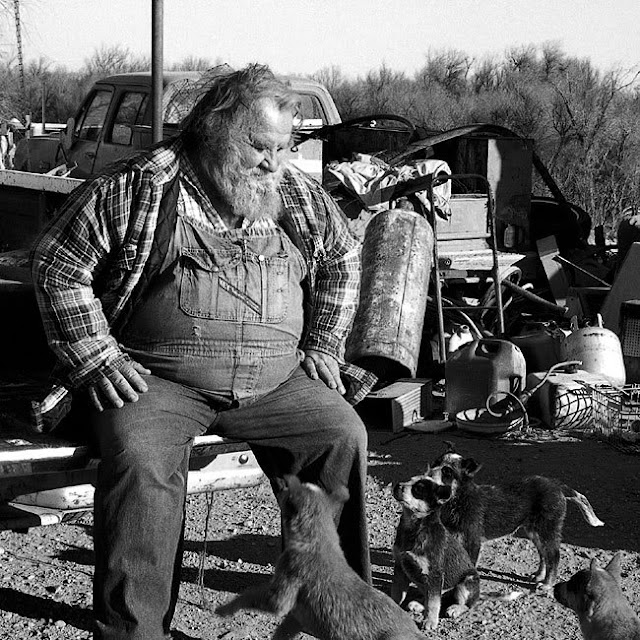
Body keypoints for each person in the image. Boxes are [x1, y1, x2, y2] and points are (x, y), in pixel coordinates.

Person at [30, 63, 375, 640]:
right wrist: (96, 356)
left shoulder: (294, 193)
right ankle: (135, 631)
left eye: (283, 149)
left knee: (341, 435)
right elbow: (58, 264)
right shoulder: (141, 186)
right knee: (140, 459)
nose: (273, 163)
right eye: (260, 147)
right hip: (158, 381)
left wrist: (323, 340)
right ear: (215, 131)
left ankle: (342, 616)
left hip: (277, 383)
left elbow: (342, 256)